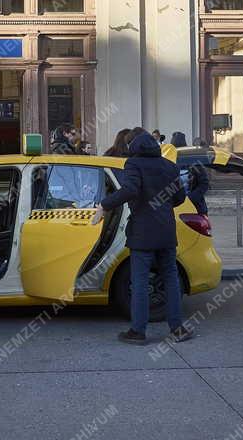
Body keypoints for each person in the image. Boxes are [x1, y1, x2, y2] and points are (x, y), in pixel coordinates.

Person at [94, 131, 192, 344]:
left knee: (139, 281)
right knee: (170, 279)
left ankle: (138, 331)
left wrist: (104, 204)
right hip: (166, 230)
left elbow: (130, 190)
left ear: (135, 148)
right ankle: (178, 329)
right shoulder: (169, 166)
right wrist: (160, 207)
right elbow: (179, 197)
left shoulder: (133, 164)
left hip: (143, 232)